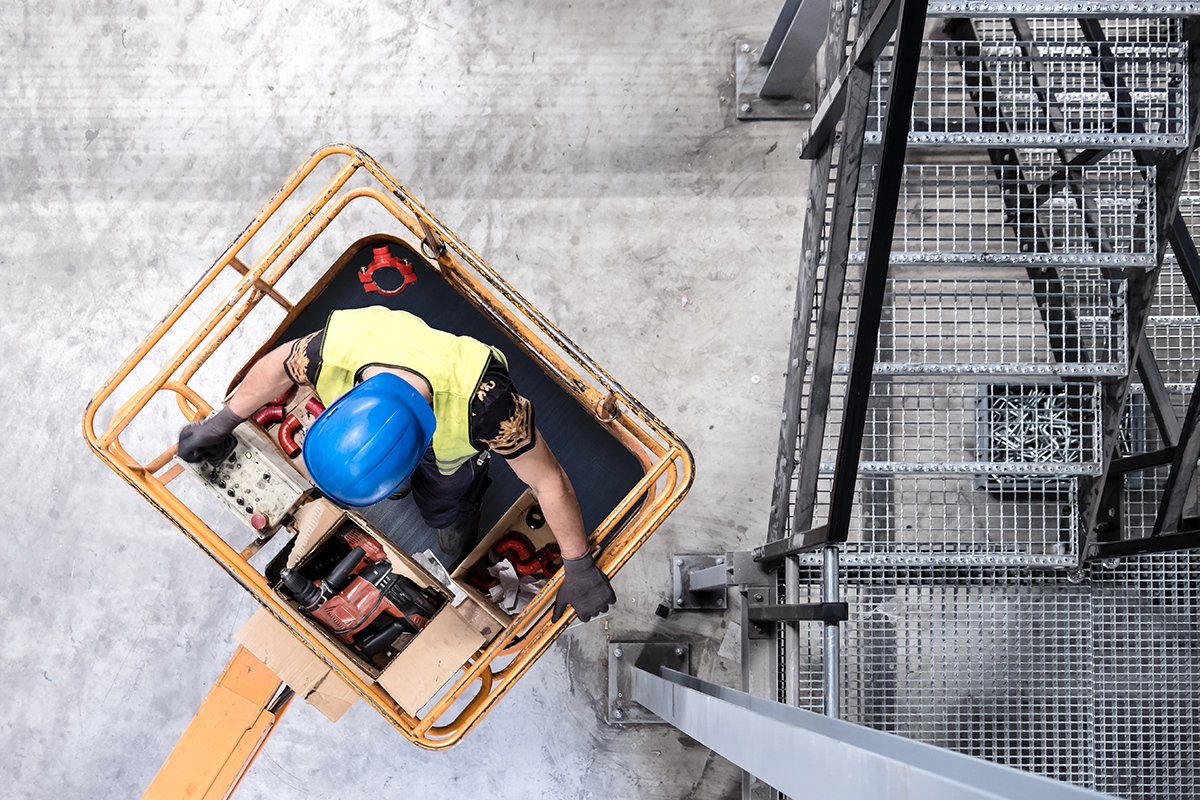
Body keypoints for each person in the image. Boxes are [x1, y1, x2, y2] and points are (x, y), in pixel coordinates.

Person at [177, 305, 615, 622]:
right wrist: (223, 420)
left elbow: (548, 481)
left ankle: (457, 515)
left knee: (444, 503)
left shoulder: (490, 410)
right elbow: (278, 367)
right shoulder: (338, 348)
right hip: (405, 392)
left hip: (455, 438)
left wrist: (579, 566)